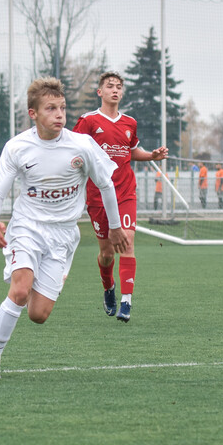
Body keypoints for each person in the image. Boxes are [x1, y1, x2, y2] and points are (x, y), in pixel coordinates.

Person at [0, 77, 130, 378]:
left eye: (62, 108)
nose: (59, 114)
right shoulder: (17, 147)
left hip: (63, 234)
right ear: (33, 114)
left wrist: (115, 227)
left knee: (38, 315)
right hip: (27, 227)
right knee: (20, 290)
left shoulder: (82, 145)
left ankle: (46, 275)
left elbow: (106, 185)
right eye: (51, 108)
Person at [70, 72, 167, 324]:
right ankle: (108, 286)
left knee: (127, 240)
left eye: (119, 87)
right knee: (107, 253)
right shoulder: (88, 122)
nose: (115, 90)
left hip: (125, 191)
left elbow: (132, 151)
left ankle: (127, 302)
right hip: (97, 195)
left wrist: (151, 156)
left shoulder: (130, 123)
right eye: (109, 86)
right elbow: (72, 149)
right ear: (99, 92)